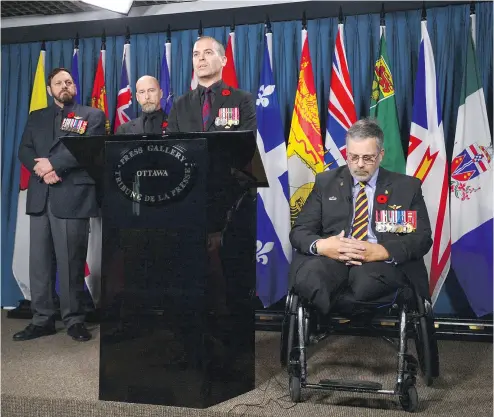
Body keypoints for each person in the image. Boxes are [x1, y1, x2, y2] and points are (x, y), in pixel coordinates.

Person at [289, 118, 433, 315]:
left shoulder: (406, 188)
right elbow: (300, 231)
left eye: (368, 158)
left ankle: (337, 321)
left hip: (379, 263)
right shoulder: (326, 182)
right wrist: (323, 246)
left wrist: (381, 251)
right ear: (346, 154)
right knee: (311, 278)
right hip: (332, 258)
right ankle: (325, 321)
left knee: (366, 284)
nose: (359, 165)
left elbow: (421, 238)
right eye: (353, 157)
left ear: (380, 155)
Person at [14, 67, 106, 342]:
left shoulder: (92, 115)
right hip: (41, 196)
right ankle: (42, 319)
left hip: (72, 197)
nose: (65, 85)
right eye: (58, 82)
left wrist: (55, 165)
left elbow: (89, 147)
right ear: (49, 89)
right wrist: (42, 169)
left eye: (69, 82)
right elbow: (24, 150)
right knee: (39, 264)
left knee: (71, 263)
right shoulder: (36, 117)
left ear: (74, 87)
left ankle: (74, 319)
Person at [166, 35, 256, 133]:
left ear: (223, 60)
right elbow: (173, 145)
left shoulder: (242, 99)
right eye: (196, 54)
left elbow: (247, 144)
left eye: (208, 52)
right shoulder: (179, 105)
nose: (201, 58)